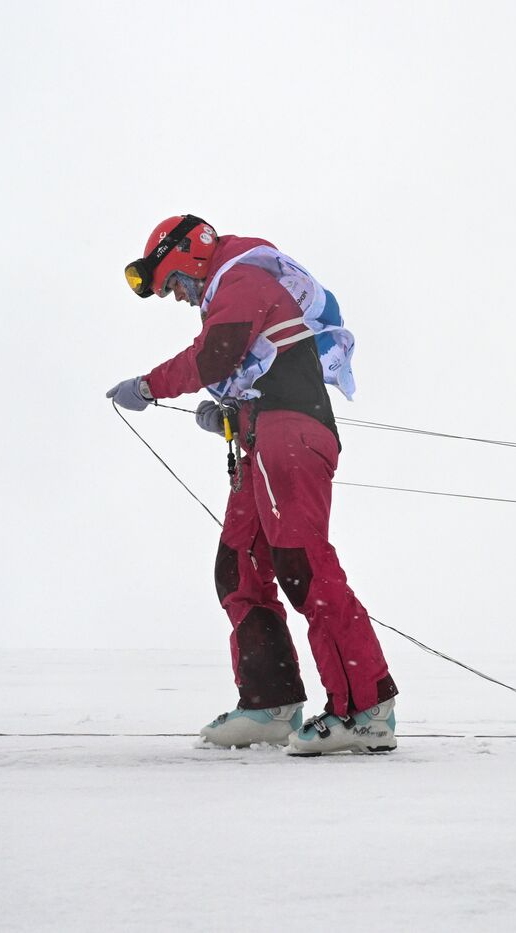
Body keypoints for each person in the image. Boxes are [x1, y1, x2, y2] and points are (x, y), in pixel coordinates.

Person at [107, 214, 398, 756]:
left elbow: (214, 355)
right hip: (264, 438)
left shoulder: (244, 278)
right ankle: (270, 705)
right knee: (240, 566)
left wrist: (149, 386)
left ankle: (365, 709)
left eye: (171, 282)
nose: (175, 296)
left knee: (301, 563)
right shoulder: (230, 293)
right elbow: (246, 367)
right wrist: (227, 417)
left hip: (291, 435)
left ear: (188, 253)